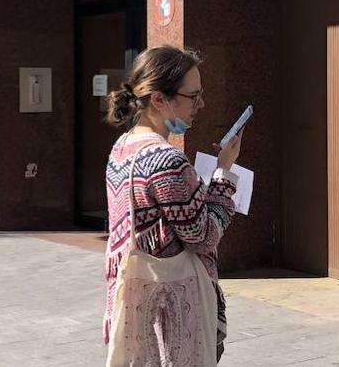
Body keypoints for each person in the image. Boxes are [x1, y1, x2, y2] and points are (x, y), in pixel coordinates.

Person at [103, 46, 243, 365]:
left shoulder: (121, 147)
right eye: (193, 96)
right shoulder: (167, 159)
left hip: (134, 306)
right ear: (158, 99)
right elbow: (204, 236)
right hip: (174, 319)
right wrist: (224, 175)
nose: (201, 104)